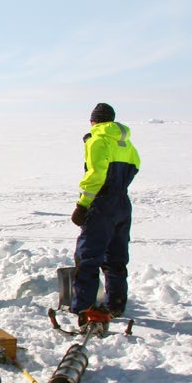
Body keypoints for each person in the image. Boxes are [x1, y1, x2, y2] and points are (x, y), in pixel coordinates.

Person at [69, 102, 140, 325]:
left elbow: (96, 175)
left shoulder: (97, 140)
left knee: (88, 256)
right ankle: (116, 304)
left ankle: (83, 307)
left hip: (101, 204)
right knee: (116, 257)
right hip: (122, 203)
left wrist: (83, 205)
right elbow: (136, 165)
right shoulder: (126, 142)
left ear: (94, 121)